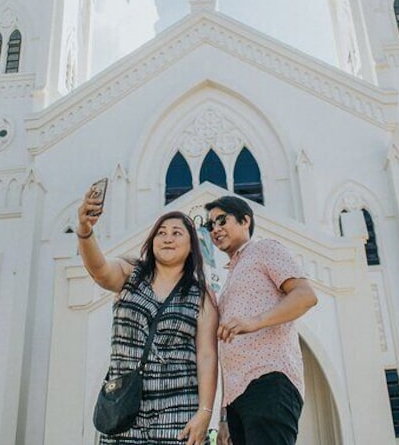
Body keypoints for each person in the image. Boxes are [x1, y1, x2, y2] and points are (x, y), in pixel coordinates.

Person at [77, 189, 219, 445]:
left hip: (179, 408)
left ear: (191, 246)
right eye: (161, 233)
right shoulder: (130, 273)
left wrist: (205, 413)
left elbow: (207, 355)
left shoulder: (200, 295)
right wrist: (85, 231)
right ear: (152, 242)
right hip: (124, 406)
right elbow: (99, 270)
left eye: (177, 233)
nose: (167, 238)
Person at [204, 195, 318, 445]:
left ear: (246, 220)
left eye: (221, 220)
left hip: (269, 381)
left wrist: (254, 321)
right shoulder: (230, 280)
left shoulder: (264, 249)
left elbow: (306, 295)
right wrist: (224, 416)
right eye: (210, 225)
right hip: (237, 399)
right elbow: (225, 351)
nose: (215, 229)